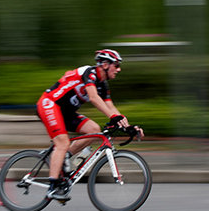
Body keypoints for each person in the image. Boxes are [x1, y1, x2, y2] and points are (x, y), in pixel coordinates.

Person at [36, 49, 144, 201]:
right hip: (49, 104)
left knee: (94, 130)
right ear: (105, 64)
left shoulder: (103, 85)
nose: (119, 69)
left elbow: (111, 108)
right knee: (62, 142)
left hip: (65, 112)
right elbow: (93, 98)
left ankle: (64, 157)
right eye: (116, 65)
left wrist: (128, 127)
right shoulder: (89, 73)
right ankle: (53, 187)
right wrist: (113, 117)